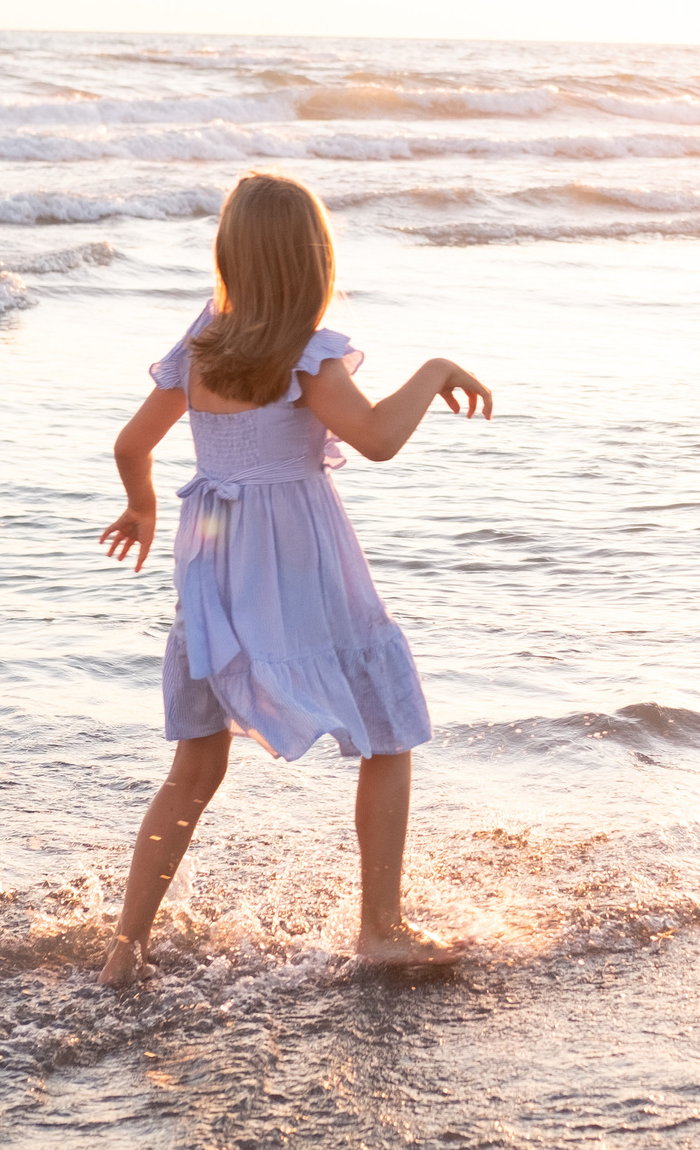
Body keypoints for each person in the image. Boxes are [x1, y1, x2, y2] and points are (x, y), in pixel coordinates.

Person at [94, 171, 492, 981]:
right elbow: (377, 437)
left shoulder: (202, 343)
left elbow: (131, 445)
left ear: (230, 257)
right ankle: (379, 924)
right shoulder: (309, 356)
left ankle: (126, 945)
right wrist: (435, 368)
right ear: (313, 260)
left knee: (196, 764)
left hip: (214, 562)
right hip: (300, 563)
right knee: (386, 725)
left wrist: (141, 509)